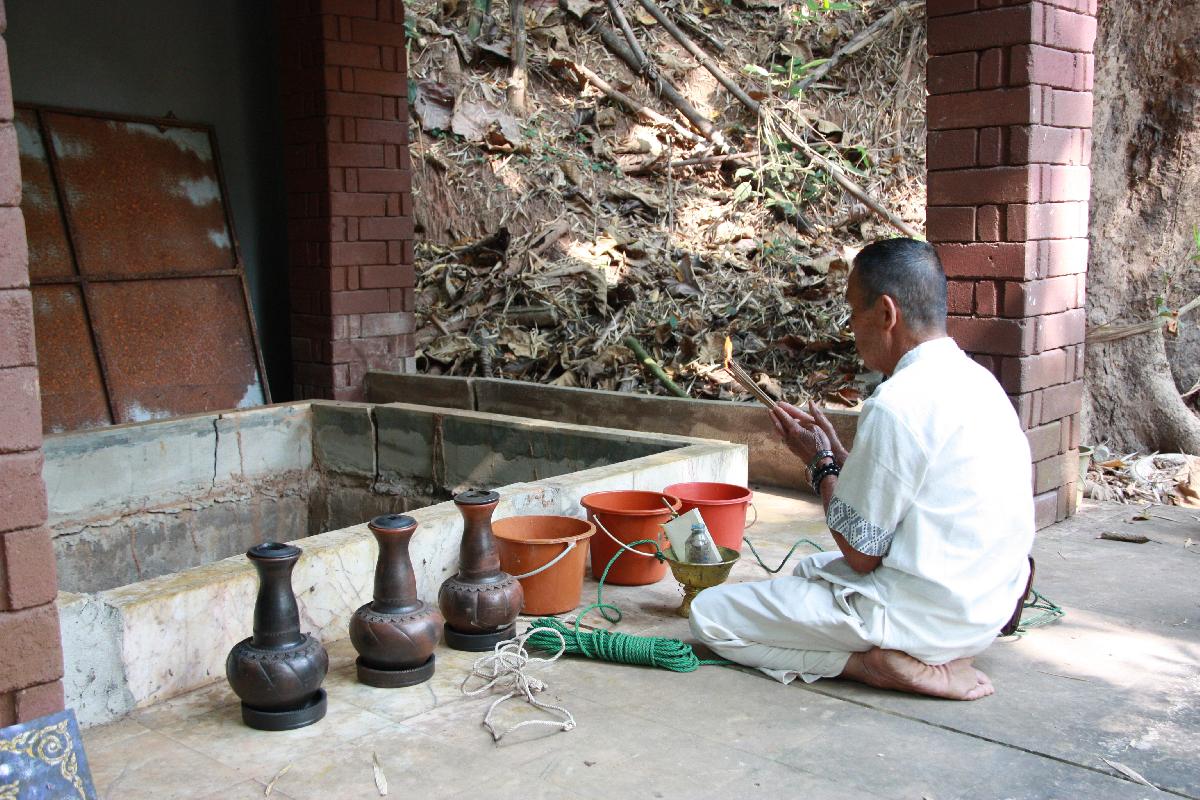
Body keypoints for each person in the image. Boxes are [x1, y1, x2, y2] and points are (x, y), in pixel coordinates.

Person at [689, 237, 1034, 701]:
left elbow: (860, 554)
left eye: (854, 311)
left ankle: (872, 665)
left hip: (922, 621)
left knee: (711, 614)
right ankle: (913, 649)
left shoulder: (897, 403)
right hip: (983, 612)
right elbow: (906, 495)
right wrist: (836, 455)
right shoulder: (978, 382)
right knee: (810, 568)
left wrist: (820, 464)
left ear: (886, 313)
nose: (851, 327)